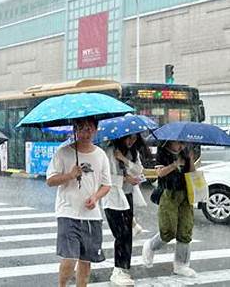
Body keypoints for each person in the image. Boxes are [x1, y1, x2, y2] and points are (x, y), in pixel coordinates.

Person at [46, 117, 112, 287]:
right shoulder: (63, 152)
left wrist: (96, 197)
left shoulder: (101, 155)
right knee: (70, 258)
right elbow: (50, 180)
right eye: (82, 128)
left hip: (92, 216)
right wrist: (69, 175)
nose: (86, 133)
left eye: (90, 128)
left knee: (86, 261)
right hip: (67, 212)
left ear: (96, 130)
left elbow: (106, 185)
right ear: (75, 130)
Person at [142, 141, 196, 277]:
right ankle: (150, 246)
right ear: (170, 142)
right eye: (179, 143)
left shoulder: (185, 151)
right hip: (168, 193)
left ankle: (181, 265)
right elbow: (160, 173)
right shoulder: (162, 152)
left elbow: (192, 172)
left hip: (185, 193)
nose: (181, 145)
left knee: (185, 230)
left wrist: (190, 159)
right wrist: (175, 164)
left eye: (183, 143)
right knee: (168, 231)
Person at [102, 134, 148, 286]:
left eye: (134, 139)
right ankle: (118, 270)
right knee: (121, 234)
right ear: (121, 137)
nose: (131, 141)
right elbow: (104, 177)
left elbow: (139, 169)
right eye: (129, 138)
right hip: (113, 198)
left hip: (127, 196)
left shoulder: (132, 151)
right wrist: (124, 179)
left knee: (127, 235)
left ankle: (123, 269)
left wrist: (124, 159)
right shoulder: (110, 151)